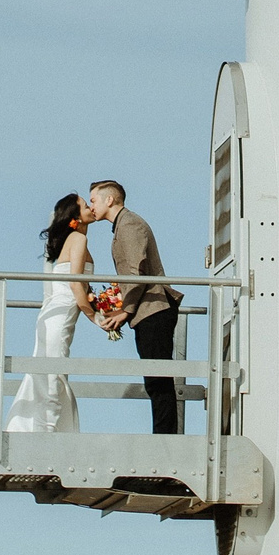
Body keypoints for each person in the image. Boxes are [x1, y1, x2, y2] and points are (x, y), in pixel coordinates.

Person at [85, 180, 183, 434]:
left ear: (110, 200)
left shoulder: (129, 224)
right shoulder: (122, 226)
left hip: (154, 309)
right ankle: (163, 440)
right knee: (154, 381)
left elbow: (135, 270)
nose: (91, 206)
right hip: (147, 310)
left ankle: (165, 443)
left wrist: (125, 310)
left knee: (158, 382)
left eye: (93, 200)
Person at [3, 192, 94, 434]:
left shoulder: (73, 239)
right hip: (61, 315)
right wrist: (95, 316)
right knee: (53, 375)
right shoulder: (77, 239)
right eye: (86, 205)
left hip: (55, 314)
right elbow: (76, 284)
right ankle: (45, 434)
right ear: (76, 216)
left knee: (48, 373)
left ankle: (43, 430)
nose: (90, 208)